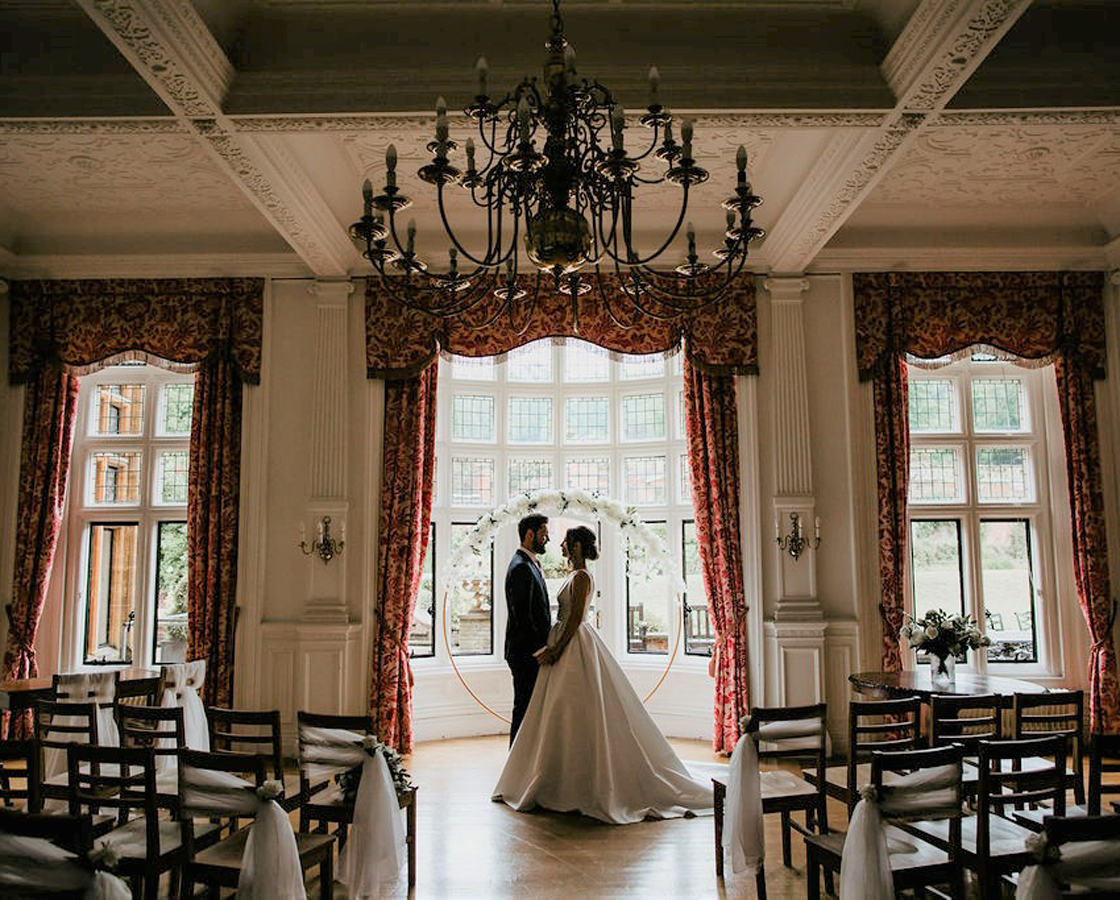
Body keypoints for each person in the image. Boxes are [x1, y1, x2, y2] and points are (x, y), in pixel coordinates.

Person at [493, 525, 713, 824]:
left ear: (578, 547)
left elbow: (574, 619)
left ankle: (584, 784)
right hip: (562, 643)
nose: (561, 545)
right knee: (558, 714)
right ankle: (554, 777)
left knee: (579, 710)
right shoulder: (573, 574)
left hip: (574, 644)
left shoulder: (583, 577)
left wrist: (555, 649)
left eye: (567, 542)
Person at [504, 513, 552, 745]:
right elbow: (522, 615)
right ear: (530, 534)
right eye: (544, 534)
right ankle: (516, 759)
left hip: (528, 652)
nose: (548, 539)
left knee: (528, 707)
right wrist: (538, 650)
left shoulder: (527, 563)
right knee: (523, 707)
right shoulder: (521, 567)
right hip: (525, 653)